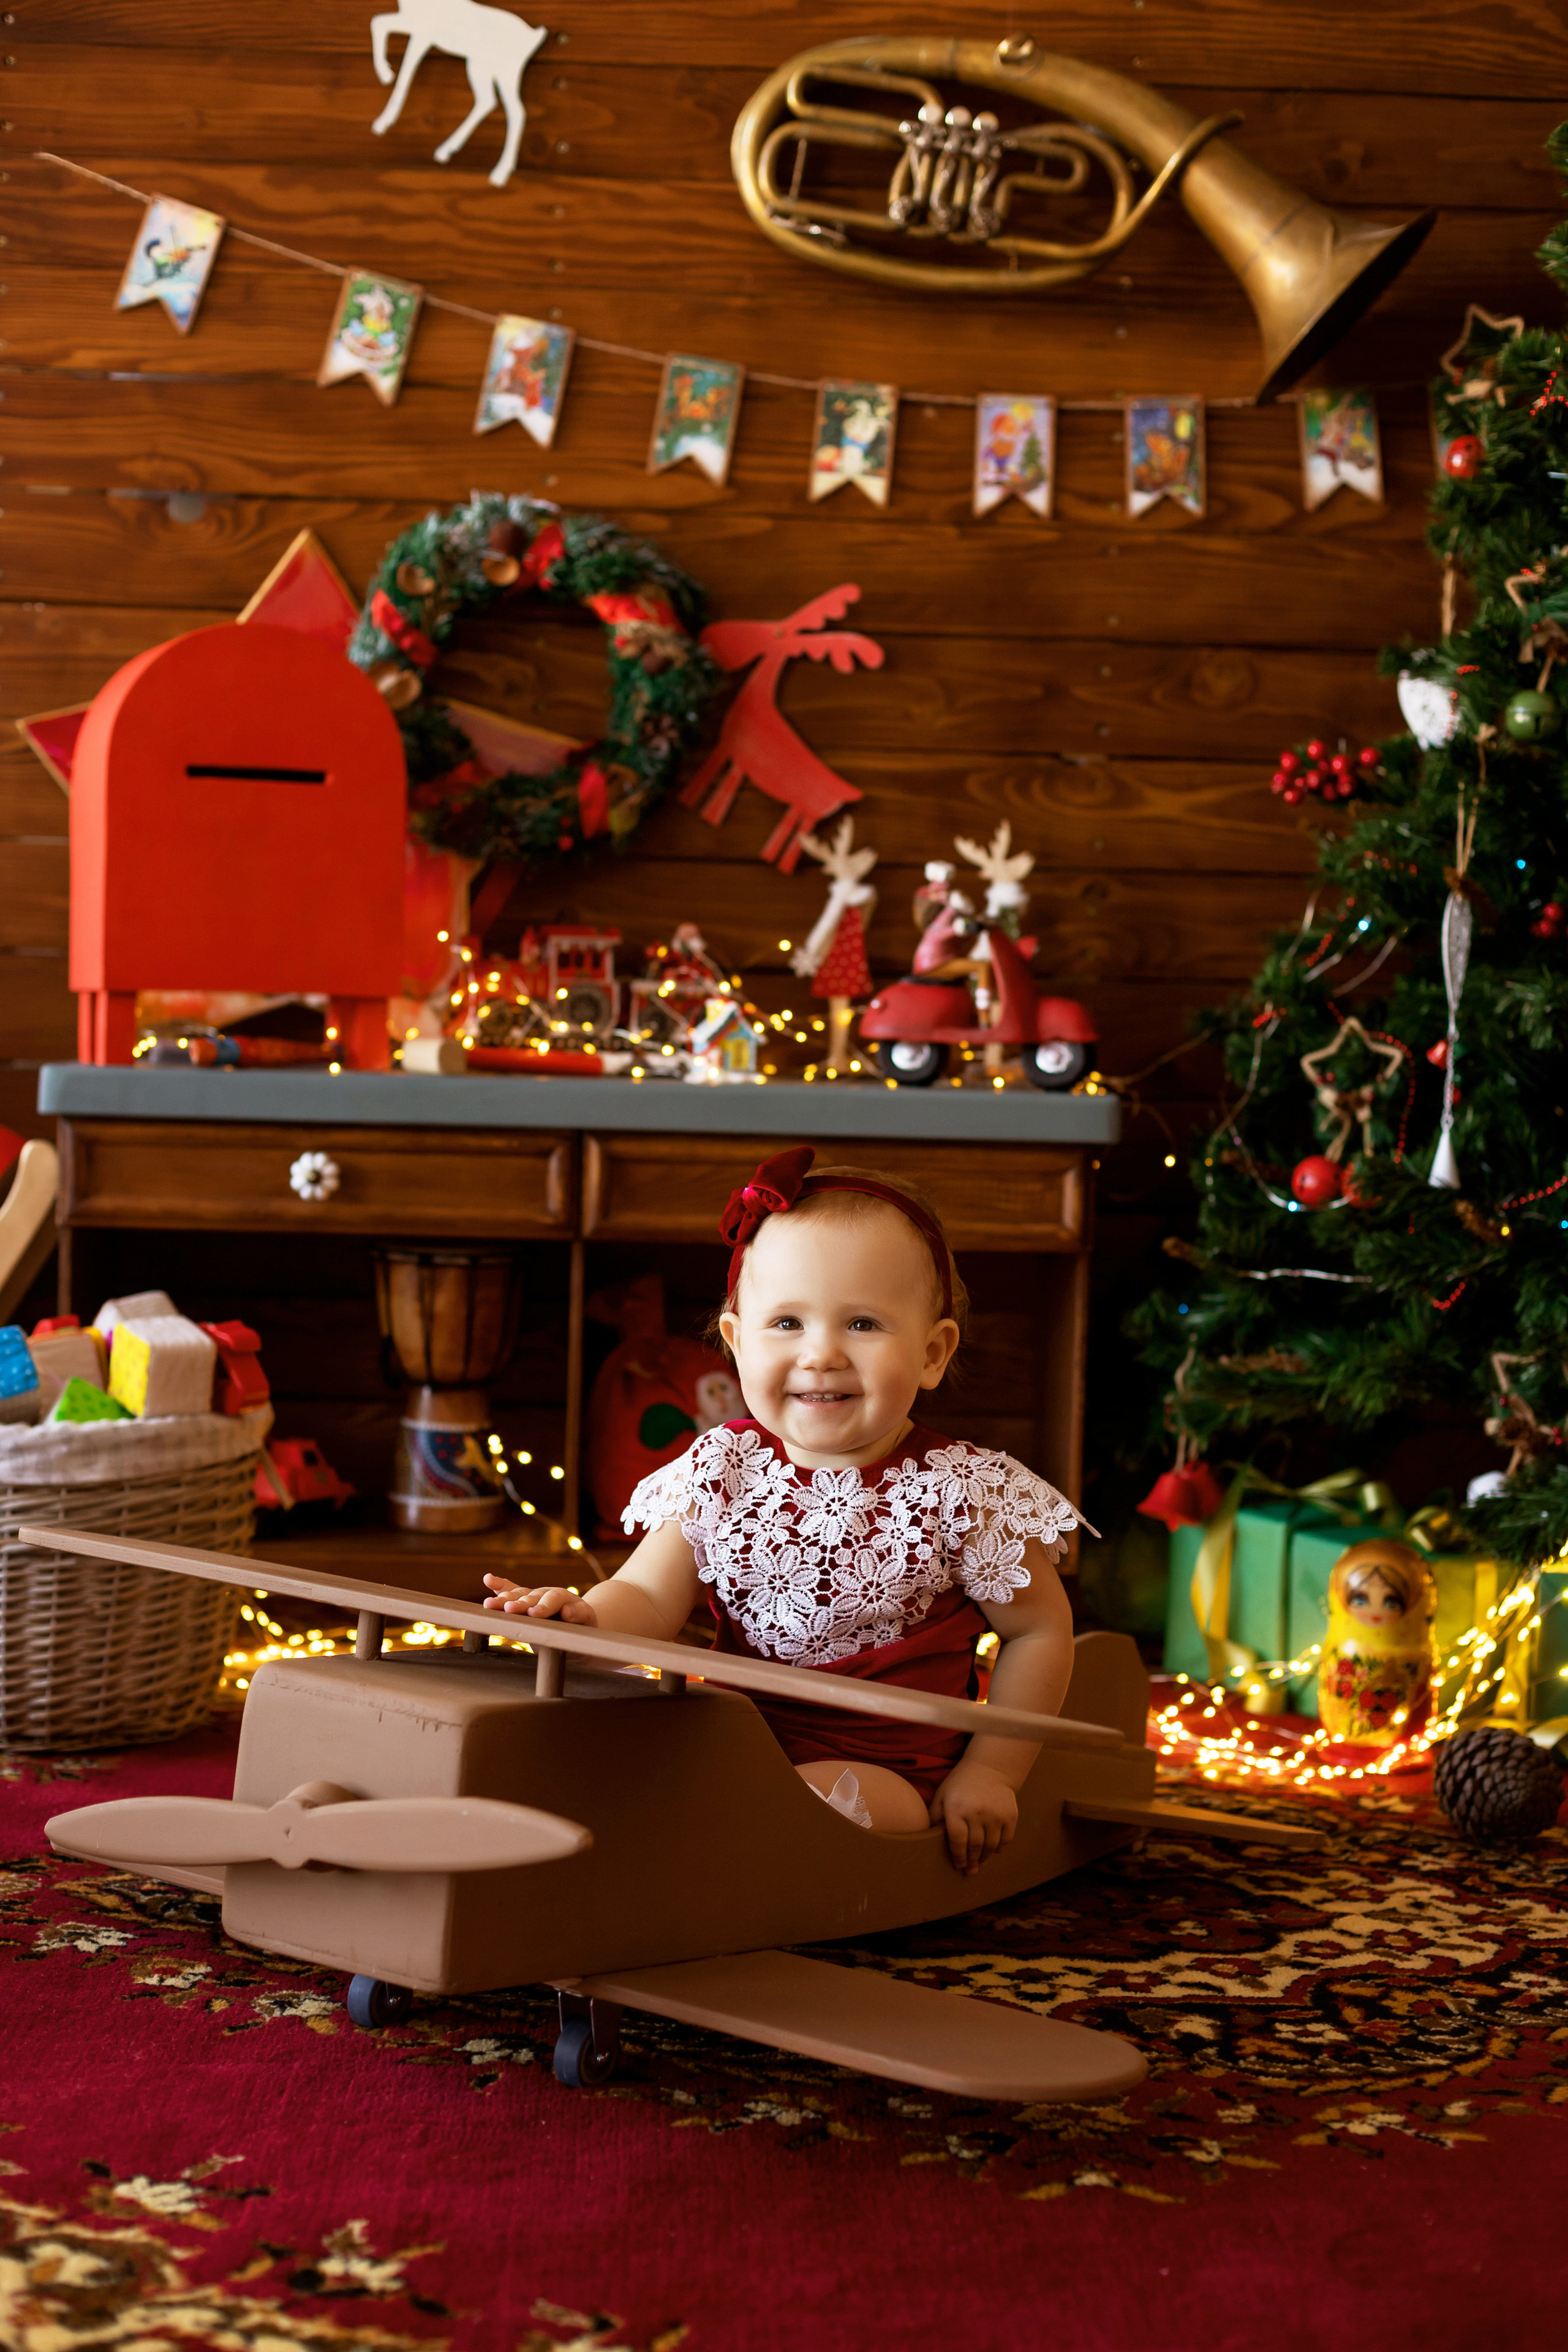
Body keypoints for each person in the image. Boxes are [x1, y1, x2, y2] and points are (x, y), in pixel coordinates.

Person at [483, 1145, 1087, 1874]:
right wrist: (587, 1617)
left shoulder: (961, 1492)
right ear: (736, 1345)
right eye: (786, 1324)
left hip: (887, 1770)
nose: (821, 1353)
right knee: (602, 1772)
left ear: (932, 1353)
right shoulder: (724, 1467)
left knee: (819, 1807)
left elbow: (1038, 1634)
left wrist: (993, 1772)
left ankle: (722, 1884)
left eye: (862, 1324)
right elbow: (647, 1595)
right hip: (728, 1749)